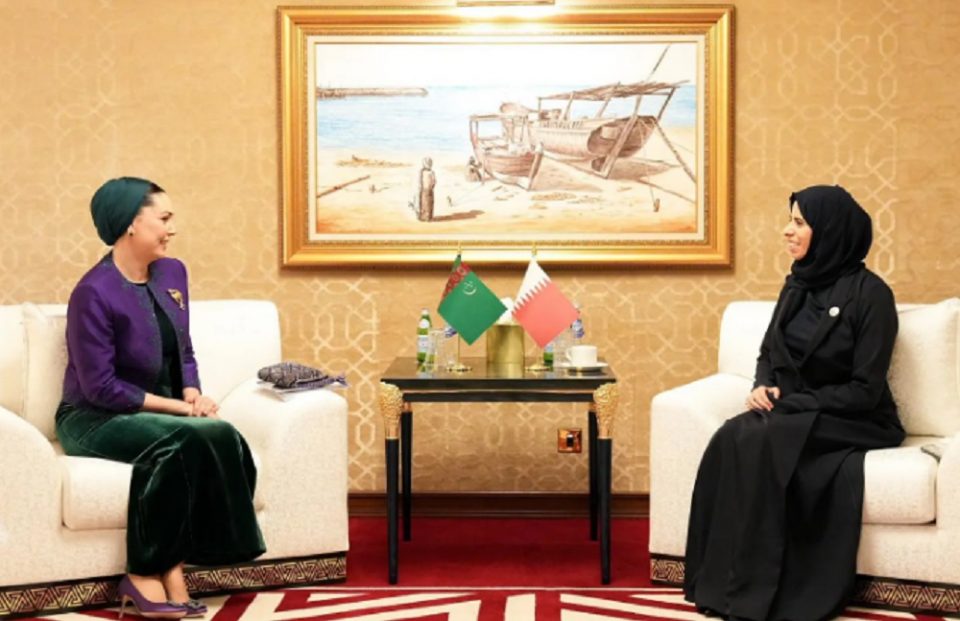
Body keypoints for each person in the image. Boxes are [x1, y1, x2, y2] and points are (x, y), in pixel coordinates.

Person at [683, 185, 905, 621]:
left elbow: (865, 390)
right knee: (730, 436)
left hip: (855, 418)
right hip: (793, 412)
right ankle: (720, 586)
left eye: (800, 222)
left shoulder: (872, 295)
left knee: (768, 438)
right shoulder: (796, 285)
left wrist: (796, 402)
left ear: (830, 231)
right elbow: (769, 351)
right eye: (791, 220)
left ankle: (763, 596)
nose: (787, 230)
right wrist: (762, 385)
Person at [56, 177, 265, 619]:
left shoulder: (173, 273)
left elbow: (183, 350)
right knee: (188, 440)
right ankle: (150, 573)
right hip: (93, 418)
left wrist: (193, 392)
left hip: (158, 412)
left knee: (220, 434)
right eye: (164, 218)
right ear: (131, 223)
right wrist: (182, 409)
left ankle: (170, 568)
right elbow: (100, 388)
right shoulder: (92, 293)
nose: (173, 228)